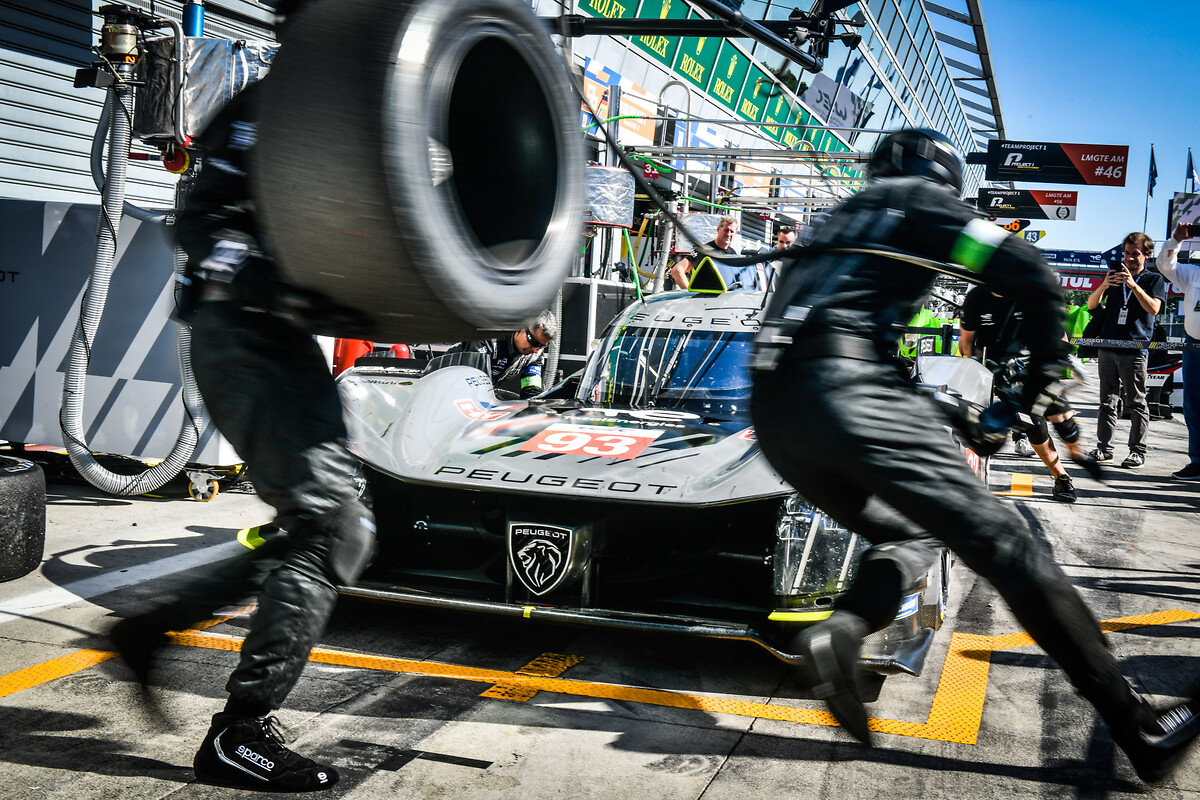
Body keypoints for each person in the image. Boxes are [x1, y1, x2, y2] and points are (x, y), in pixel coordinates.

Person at [750, 128, 1199, 782]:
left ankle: (842, 630)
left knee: (908, 535)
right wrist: (1046, 368)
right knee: (1010, 547)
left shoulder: (838, 217)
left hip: (775, 412)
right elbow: (1033, 274)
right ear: (944, 178)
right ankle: (1138, 726)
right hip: (849, 388)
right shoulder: (919, 202)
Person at [108, 0, 373, 790]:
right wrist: (281, 282)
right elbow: (205, 230)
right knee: (329, 527)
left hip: (279, 340)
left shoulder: (334, 121)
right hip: (242, 336)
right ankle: (238, 731)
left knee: (331, 522)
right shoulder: (266, 112)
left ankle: (152, 630)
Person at [958, 285, 1078, 502]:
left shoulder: (1030, 290)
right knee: (1035, 425)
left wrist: (1055, 361)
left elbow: (1060, 335)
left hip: (1037, 367)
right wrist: (989, 368)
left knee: (1064, 420)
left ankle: (1077, 453)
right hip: (1003, 372)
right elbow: (966, 345)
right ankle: (1062, 477)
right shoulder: (977, 297)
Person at [1086, 232, 1167, 469]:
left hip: (1134, 349)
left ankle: (1137, 451)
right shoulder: (1114, 280)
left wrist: (1133, 286)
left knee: (1137, 403)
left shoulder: (1153, 280)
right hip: (1108, 346)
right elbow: (1092, 306)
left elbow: (1153, 309)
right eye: (1127, 253)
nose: (1130, 258)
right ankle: (1104, 448)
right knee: (1106, 402)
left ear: (1147, 255)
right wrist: (1104, 285)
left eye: (1136, 254)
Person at [1156, 223, 1200, 480]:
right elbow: (1165, 267)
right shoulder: (1193, 273)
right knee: (1193, 406)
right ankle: (1198, 461)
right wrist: (1175, 241)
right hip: (1194, 346)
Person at [446, 310, 557, 398]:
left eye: (542, 346)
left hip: (480, 391)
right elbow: (472, 388)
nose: (536, 350)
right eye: (534, 342)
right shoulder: (487, 336)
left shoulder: (535, 353)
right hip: (446, 386)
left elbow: (531, 392)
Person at [669, 216, 737, 289]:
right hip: (706, 298)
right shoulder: (704, 250)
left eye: (732, 231)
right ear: (718, 230)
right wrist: (689, 293)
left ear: (735, 233)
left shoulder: (732, 253)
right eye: (726, 230)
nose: (728, 234)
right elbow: (677, 270)